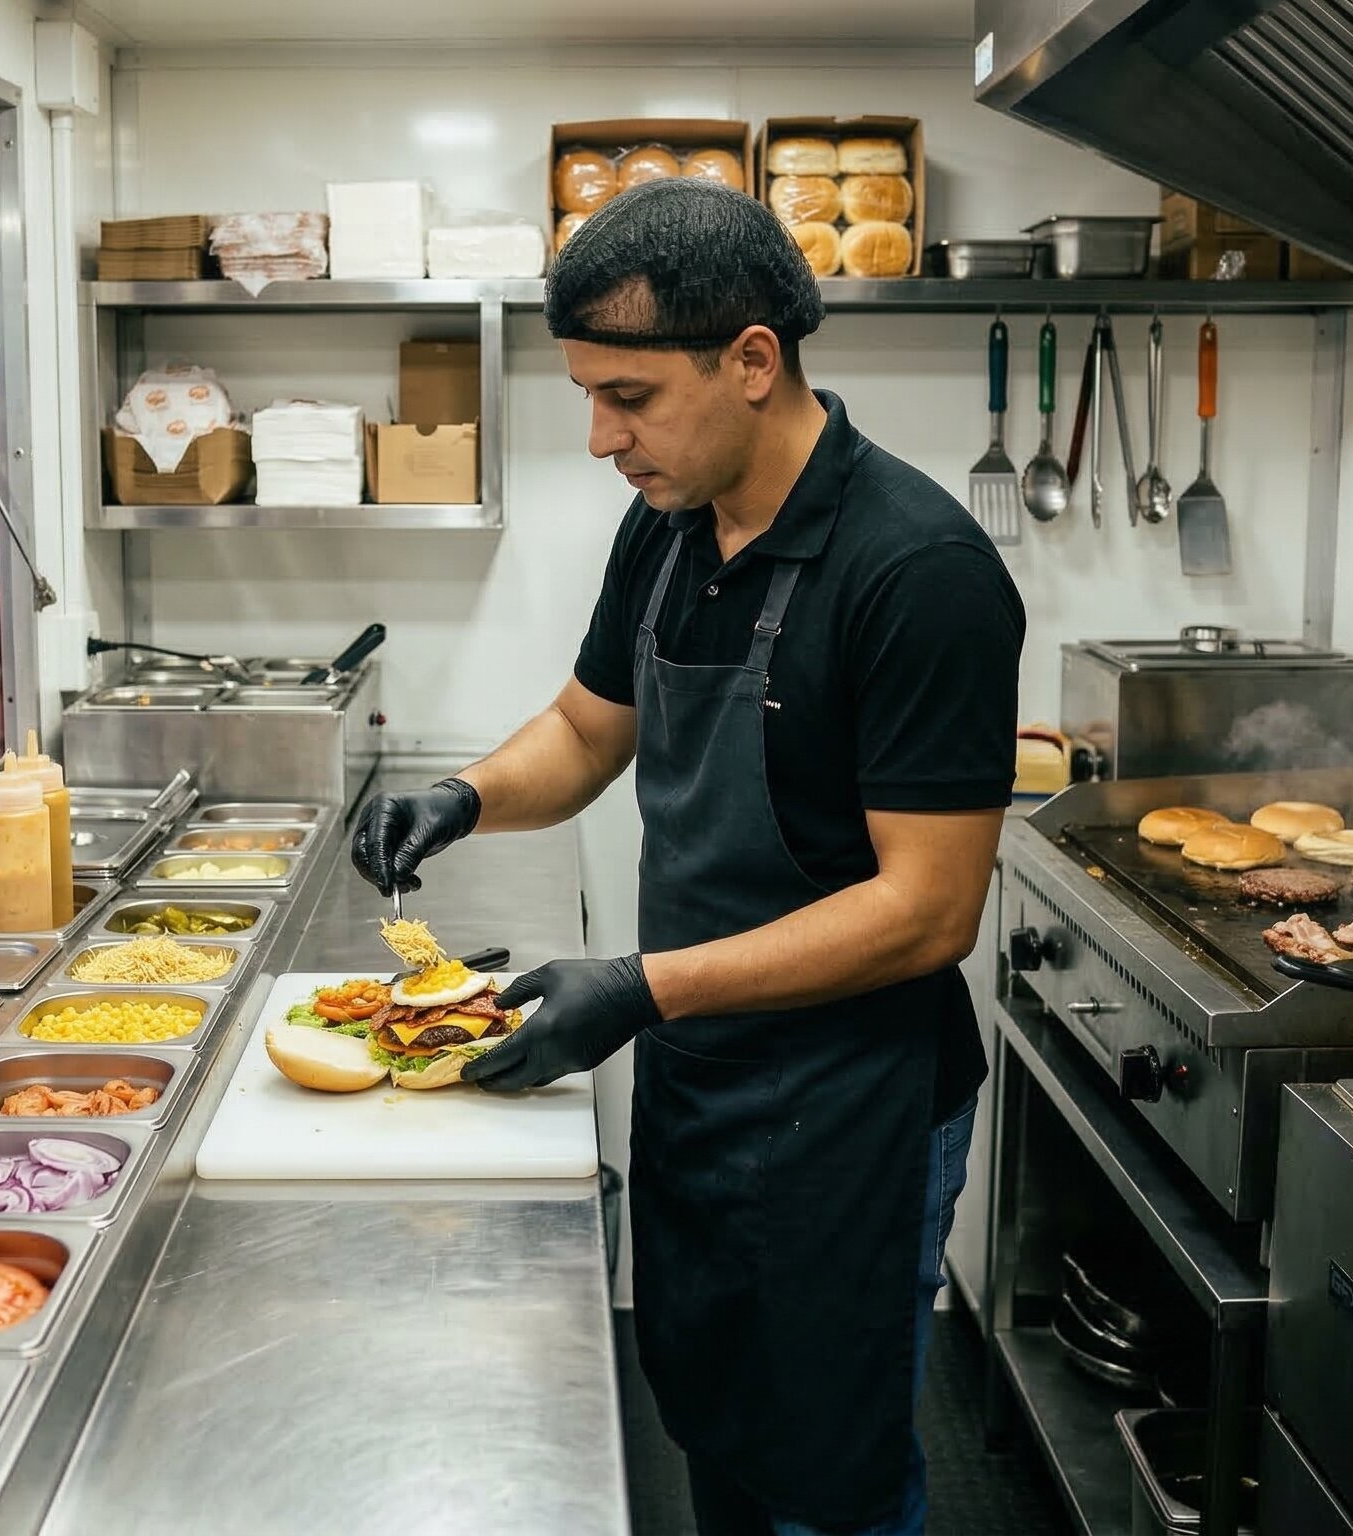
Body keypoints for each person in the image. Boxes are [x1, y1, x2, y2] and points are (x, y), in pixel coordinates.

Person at [348, 179, 1024, 1536]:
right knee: (714, 1415)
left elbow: (927, 911)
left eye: (630, 398)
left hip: (856, 1105)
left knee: (828, 1476)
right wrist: (465, 796)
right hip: (707, 1078)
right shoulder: (669, 527)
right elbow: (591, 732)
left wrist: (643, 989)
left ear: (754, 362)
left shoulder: (918, 570)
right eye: (588, 396)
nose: (602, 438)